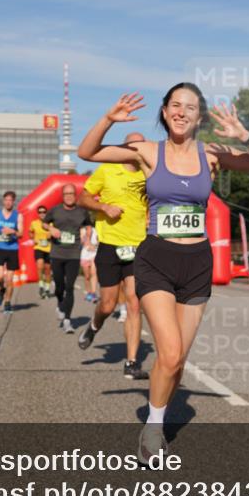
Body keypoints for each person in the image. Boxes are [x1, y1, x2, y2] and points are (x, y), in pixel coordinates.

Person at [77, 83, 249, 465]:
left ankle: (159, 409)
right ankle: (153, 429)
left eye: (190, 107)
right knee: (168, 353)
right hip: (156, 258)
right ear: (165, 112)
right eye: (175, 105)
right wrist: (108, 118)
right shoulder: (147, 152)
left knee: (178, 359)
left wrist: (245, 136)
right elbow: (87, 152)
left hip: (197, 263)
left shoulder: (212, 154)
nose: (182, 112)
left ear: (199, 116)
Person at [76, 132, 150, 380]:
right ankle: (94, 325)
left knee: (134, 303)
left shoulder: (149, 175)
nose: (137, 149)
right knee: (107, 304)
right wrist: (103, 207)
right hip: (109, 245)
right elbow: (83, 198)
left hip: (138, 246)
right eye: (132, 145)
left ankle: (131, 362)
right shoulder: (107, 170)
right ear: (124, 147)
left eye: (141, 145)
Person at [44, 185, 93, 334]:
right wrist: (51, 229)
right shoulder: (55, 210)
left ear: (75, 195)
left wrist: (88, 239)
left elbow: (88, 225)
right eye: (66, 194)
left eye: (71, 193)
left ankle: (67, 320)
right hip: (57, 253)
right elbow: (44, 222)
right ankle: (60, 303)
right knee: (60, 285)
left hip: (73, 253)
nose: (69, 196)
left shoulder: (82, 211)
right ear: (62, 195)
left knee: (69, 286)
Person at [0, 191, 23, 314]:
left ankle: (8, 303)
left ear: (13, 202)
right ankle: (2, 289)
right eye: (6, 200)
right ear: (3, 201)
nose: (8, 202)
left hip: (12, 249)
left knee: (9, 279)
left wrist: (13, 231)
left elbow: (21, 233)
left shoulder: (18, 216)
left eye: (10, 200)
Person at [28, 205, 54, 299]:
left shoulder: (51, 224)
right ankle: (41, 286)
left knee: (47, 270)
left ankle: (47, 289)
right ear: (38, 214)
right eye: (40, 212)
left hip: (49, 248)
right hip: (38, 247)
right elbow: (30, 232)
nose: (42, 213)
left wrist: (51, 236)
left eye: (44, 212)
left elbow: (55, 233)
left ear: (46, 213)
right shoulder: (34, 223)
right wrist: (33, 238)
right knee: (40, 266)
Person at [80, 225, 99, 303]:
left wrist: (94, 245)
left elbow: (99, 241)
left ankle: (94, 293)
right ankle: (88, 292)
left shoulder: (96, 230)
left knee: (94, 273)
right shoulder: (82, 230)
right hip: (85, 255)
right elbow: (82, 242)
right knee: (87, 276)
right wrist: (87, 235)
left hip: (94, 254)